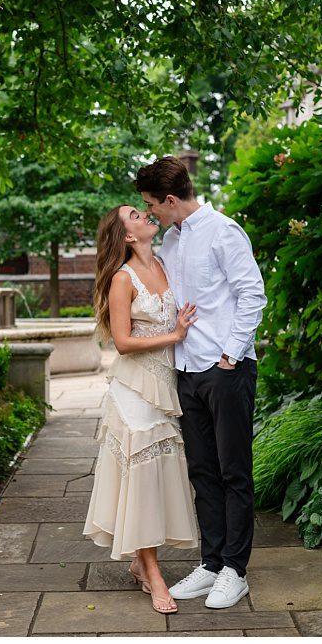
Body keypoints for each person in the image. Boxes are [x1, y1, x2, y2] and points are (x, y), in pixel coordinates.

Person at [136, 153, 265, 609]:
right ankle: (211, 564)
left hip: (225, 369)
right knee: (202, 471)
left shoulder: (224, 231)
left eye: (152, 205)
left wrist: (230, 355)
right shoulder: (170, 241)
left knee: (234, 472)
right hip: (186, 371)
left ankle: (235, 569)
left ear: (171, 199)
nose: (151, 213)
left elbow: (252, 293)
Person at [83, 205, 200, 614]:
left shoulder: (168, 265)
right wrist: (175, 334)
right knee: (143, 476)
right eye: (135, 214)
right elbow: (122, 342)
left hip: (167, 384)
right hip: (134, 388)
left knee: (162, 473)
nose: (145, 214)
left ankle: (140, 561)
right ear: (128, 236)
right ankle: (154, 575)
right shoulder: (122, 279)